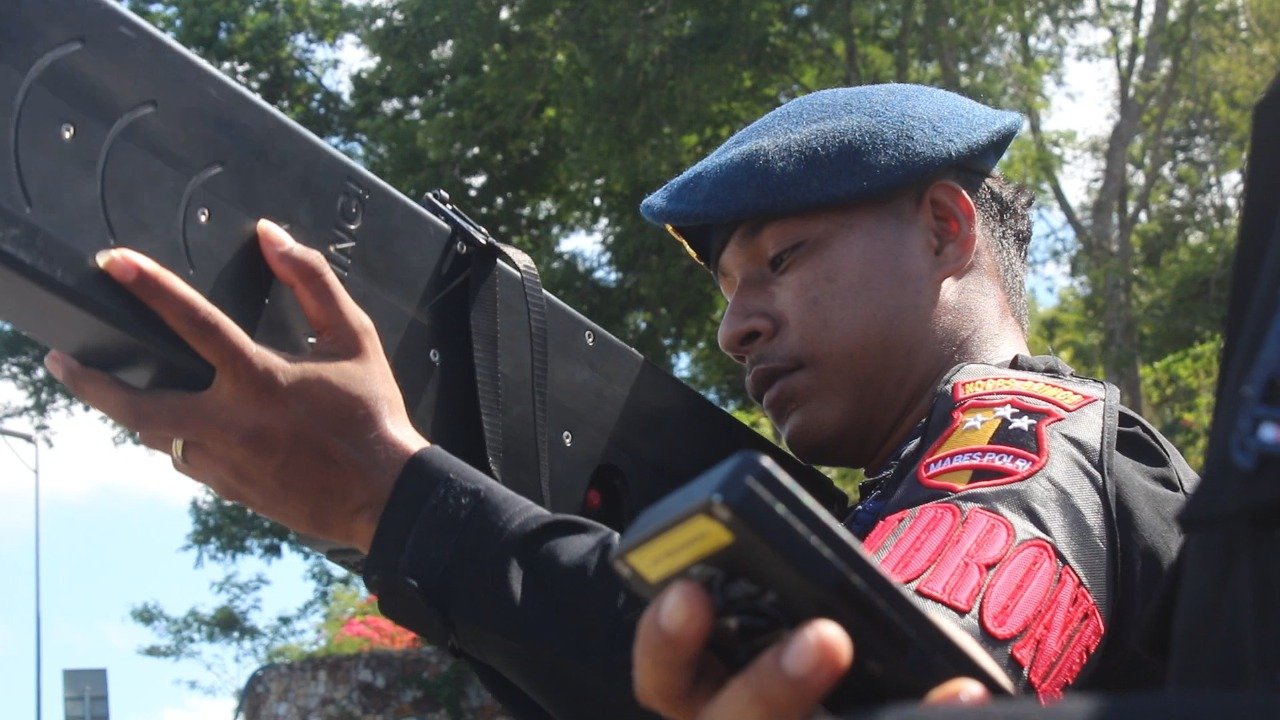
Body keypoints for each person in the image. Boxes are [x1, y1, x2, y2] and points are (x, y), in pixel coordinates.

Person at [40, 84, 1196, 720]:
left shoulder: (1019, 436)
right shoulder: (915, 487)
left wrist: (392, 501)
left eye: (780, 261)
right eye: (727, 293)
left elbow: (869, 684)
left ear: (944, 228)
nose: (736, 327)